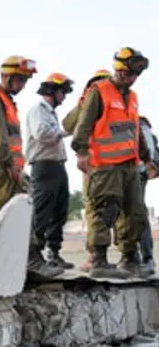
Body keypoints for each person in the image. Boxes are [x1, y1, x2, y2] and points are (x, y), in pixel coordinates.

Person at [0, 55, 63, 280]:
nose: (23, 86)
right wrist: (10, 166)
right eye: (20, 80)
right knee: (18, 214)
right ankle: (29, 262)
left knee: (24, 211)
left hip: (10, 166)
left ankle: (19, 261)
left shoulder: (6, 101)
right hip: (2, 167)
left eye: (25, 81)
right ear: (6, 77)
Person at [71, 47, 151, 278]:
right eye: (131, 74)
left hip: (129, 165)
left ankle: (130, 258)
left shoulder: (132, 98)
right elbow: (83, 125)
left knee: (134, 212)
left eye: (137, 75)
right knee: (105, 210)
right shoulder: (100, 91)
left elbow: (134, 129)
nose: (134, 79)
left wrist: (146, 157)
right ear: (121, 71)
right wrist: (82, 153)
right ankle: (100, 260)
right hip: (105, 165)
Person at [61, 69, 112, 267]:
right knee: (103, 209)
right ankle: (97, 256)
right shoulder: (113, 102)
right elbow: (68, 124)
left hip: (103, 165)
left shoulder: (105, 102)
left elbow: (68, 125)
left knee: (99, 209)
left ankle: (96, 256)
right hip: (103, 165)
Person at [25, 73, 75, 269]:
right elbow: (41, 134)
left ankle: (53, 253)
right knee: (42, 212)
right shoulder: (38, 110)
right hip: (44, 166)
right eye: (63, 92)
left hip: (57, 165)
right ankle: (34, 256)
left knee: (59, 211)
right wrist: (65, 132)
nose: (64, 96)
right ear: (52, 91)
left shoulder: (52, 113)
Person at [114, 116, 159, 273]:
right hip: (140, 174)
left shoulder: (136, 126)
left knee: (134, 214)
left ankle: (141, 257)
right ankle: (139, 257)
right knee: (135, 214)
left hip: (134, 174)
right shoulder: (148, 131)